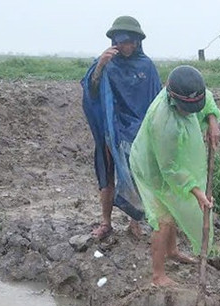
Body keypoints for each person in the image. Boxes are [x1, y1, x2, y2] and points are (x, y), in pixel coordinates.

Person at [130, 65, 220, 287]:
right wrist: (197, 192)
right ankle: (157, 276)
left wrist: (211, 120)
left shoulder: (186, 89)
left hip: (169, 164)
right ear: (173, 99)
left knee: (173, 208)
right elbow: (170, 169)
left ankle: (172, 251)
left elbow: (206, 98)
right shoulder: (164, 123)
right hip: (152, 169)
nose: (192, 112)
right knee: (163, 219)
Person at [81, 16, 160, 240]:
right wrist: (99, 67)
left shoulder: (147, 66)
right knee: (107, 175)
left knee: (136, 176)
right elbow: (92, 94)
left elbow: (156, 101)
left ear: (137, 42)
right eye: (123, 42)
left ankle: (134, 222)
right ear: (115, 41)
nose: (127, 46)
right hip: (110, 130)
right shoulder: (105, 63)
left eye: (131, 42)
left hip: (137, 132)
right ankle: (105, 222)